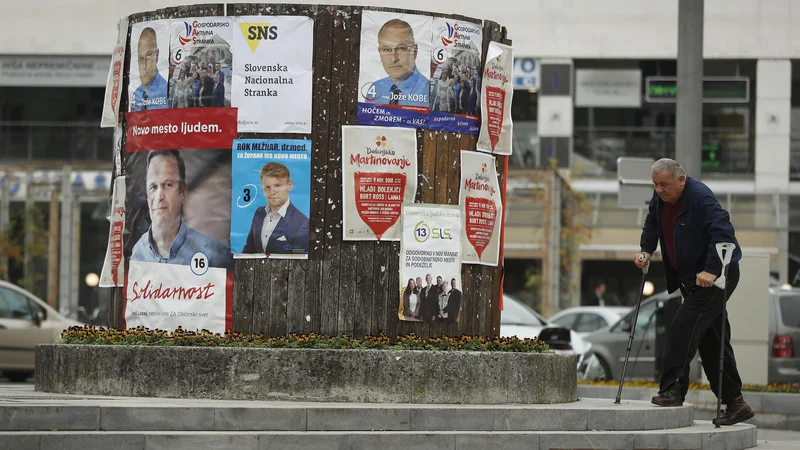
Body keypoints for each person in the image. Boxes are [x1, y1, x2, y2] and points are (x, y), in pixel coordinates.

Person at [636, 158, 753, 426]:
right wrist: (646, 250)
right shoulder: (660, 199)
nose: (659, 190)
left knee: (683, 325)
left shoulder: (700, 197)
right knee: (712, 341)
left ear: (681, 180)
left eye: (664, 184)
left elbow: (724, 232)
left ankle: (672, 389)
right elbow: (652, 225)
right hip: (692, 279)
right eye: (655, 185)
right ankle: (736, 402)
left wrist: (711, 269)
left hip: (716, 276)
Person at [131, 150, 232, 268]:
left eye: (168, 185)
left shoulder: (215, 255)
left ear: (183, 193)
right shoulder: (138, 253)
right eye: (153, 187)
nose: (159, 197)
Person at [242, 162, 309, 254]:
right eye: (267, 187)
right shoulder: (259, 213)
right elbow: (249, 250)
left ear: (289, 185)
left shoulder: (302, 223)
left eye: (277, 185)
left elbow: (299, 260)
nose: (272, 192)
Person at [366, 19, 429, 107]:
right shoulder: (375, 89)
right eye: (386, 50)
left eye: (401, 48)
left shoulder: (430, 93)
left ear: (415, 51)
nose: (393, 59)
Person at [131, 27, 168, 112]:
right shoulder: (136, 94)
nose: (144, 65)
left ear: (157, 55)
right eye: (141, 58)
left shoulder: (167, 92)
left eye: (148, 55)